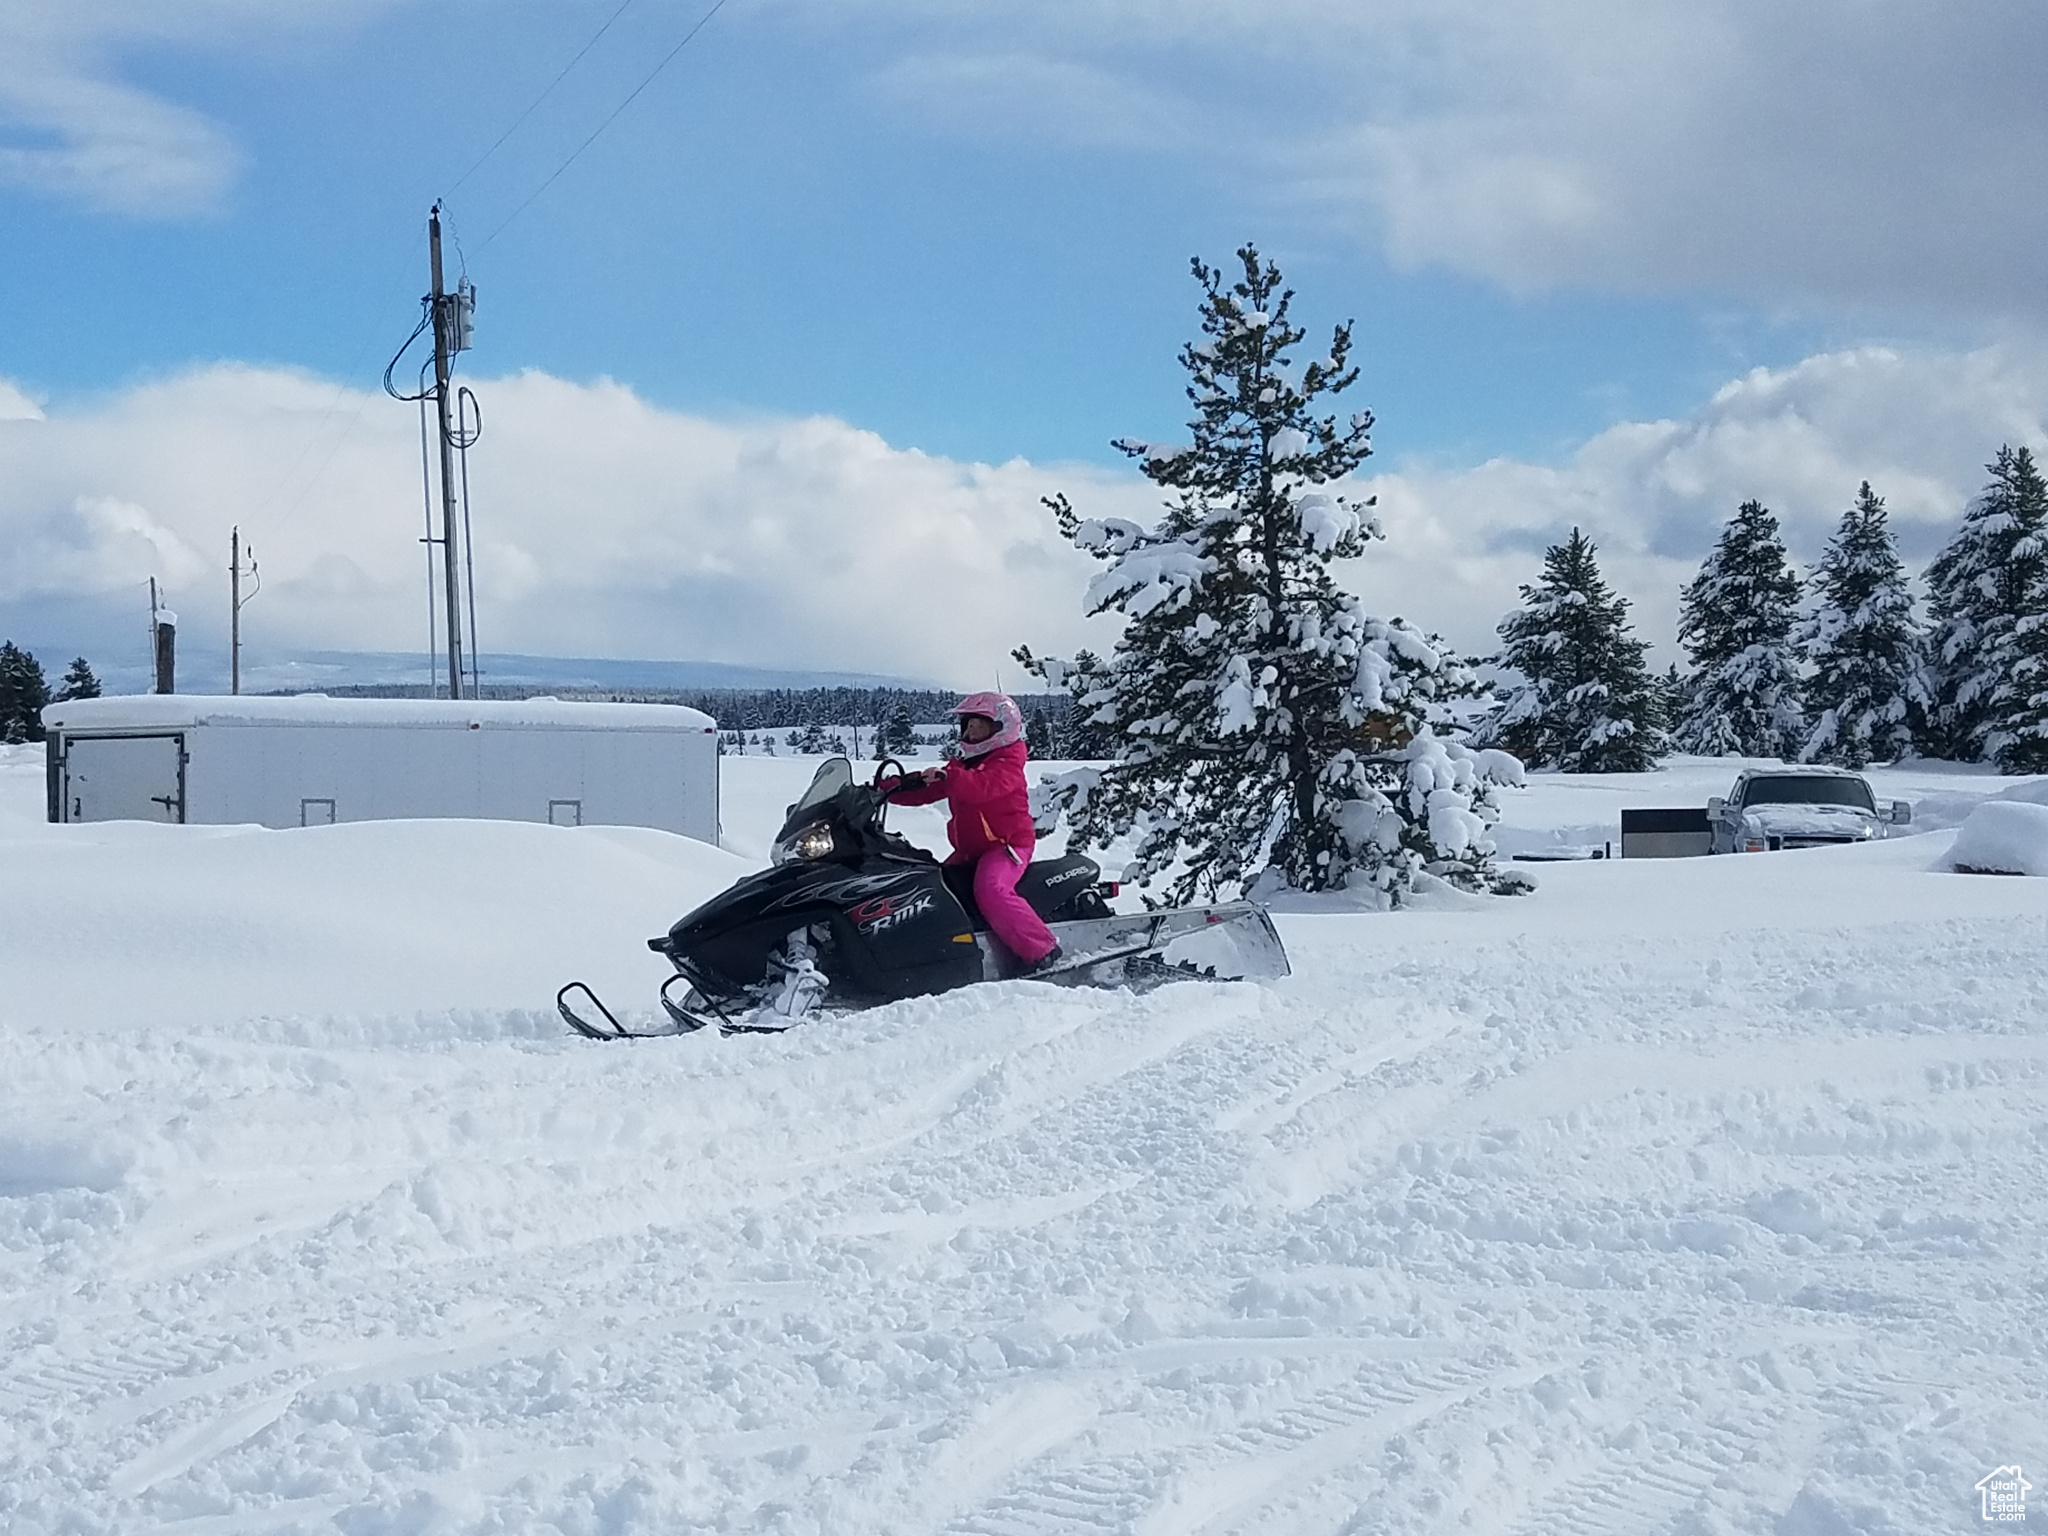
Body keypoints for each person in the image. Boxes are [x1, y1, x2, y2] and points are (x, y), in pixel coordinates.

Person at [883, 692, 1062, 975]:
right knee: (932, 889)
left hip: (1007, 846)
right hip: (970, 851)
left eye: (980, 726)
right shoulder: (964, 765)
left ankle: (1043, 951)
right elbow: (932, 789)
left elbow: (983, 787)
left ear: (1002, 727)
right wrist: (884, 790)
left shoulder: (1008, 761)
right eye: (968, 725)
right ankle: (943, 956)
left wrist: (950, 777)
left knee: (991, 890)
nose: (971, 732)